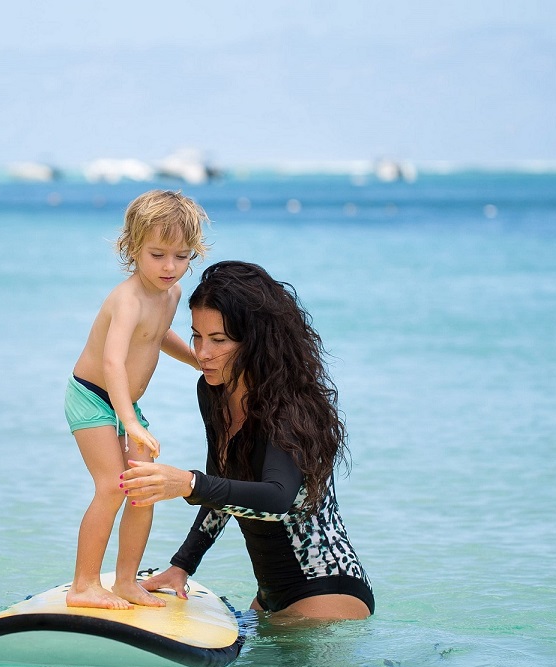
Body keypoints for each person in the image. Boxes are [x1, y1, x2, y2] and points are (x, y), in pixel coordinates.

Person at [119, 261, 375, 620]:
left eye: (219, 340)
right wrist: (182, 565)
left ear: (254, 340)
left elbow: (277, 499)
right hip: (270, 596)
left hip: (327, 590)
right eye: (197, 336)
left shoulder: (290, 406)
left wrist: (188, 483)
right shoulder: (214, 392)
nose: (202, 353)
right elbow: (224, 492)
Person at [64, 190, 208, 609]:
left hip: (124, 404)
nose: (170, 267)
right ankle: (83, 585)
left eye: (181, 256)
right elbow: (112, 361)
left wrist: (200, 362)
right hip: (92, 397)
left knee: (142, 489)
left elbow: (158, 335)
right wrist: (129, 421)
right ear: (132, 248)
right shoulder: (126, 299)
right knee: (112, 487)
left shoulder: (172, 294)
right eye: (157, 255)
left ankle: (126, 581)